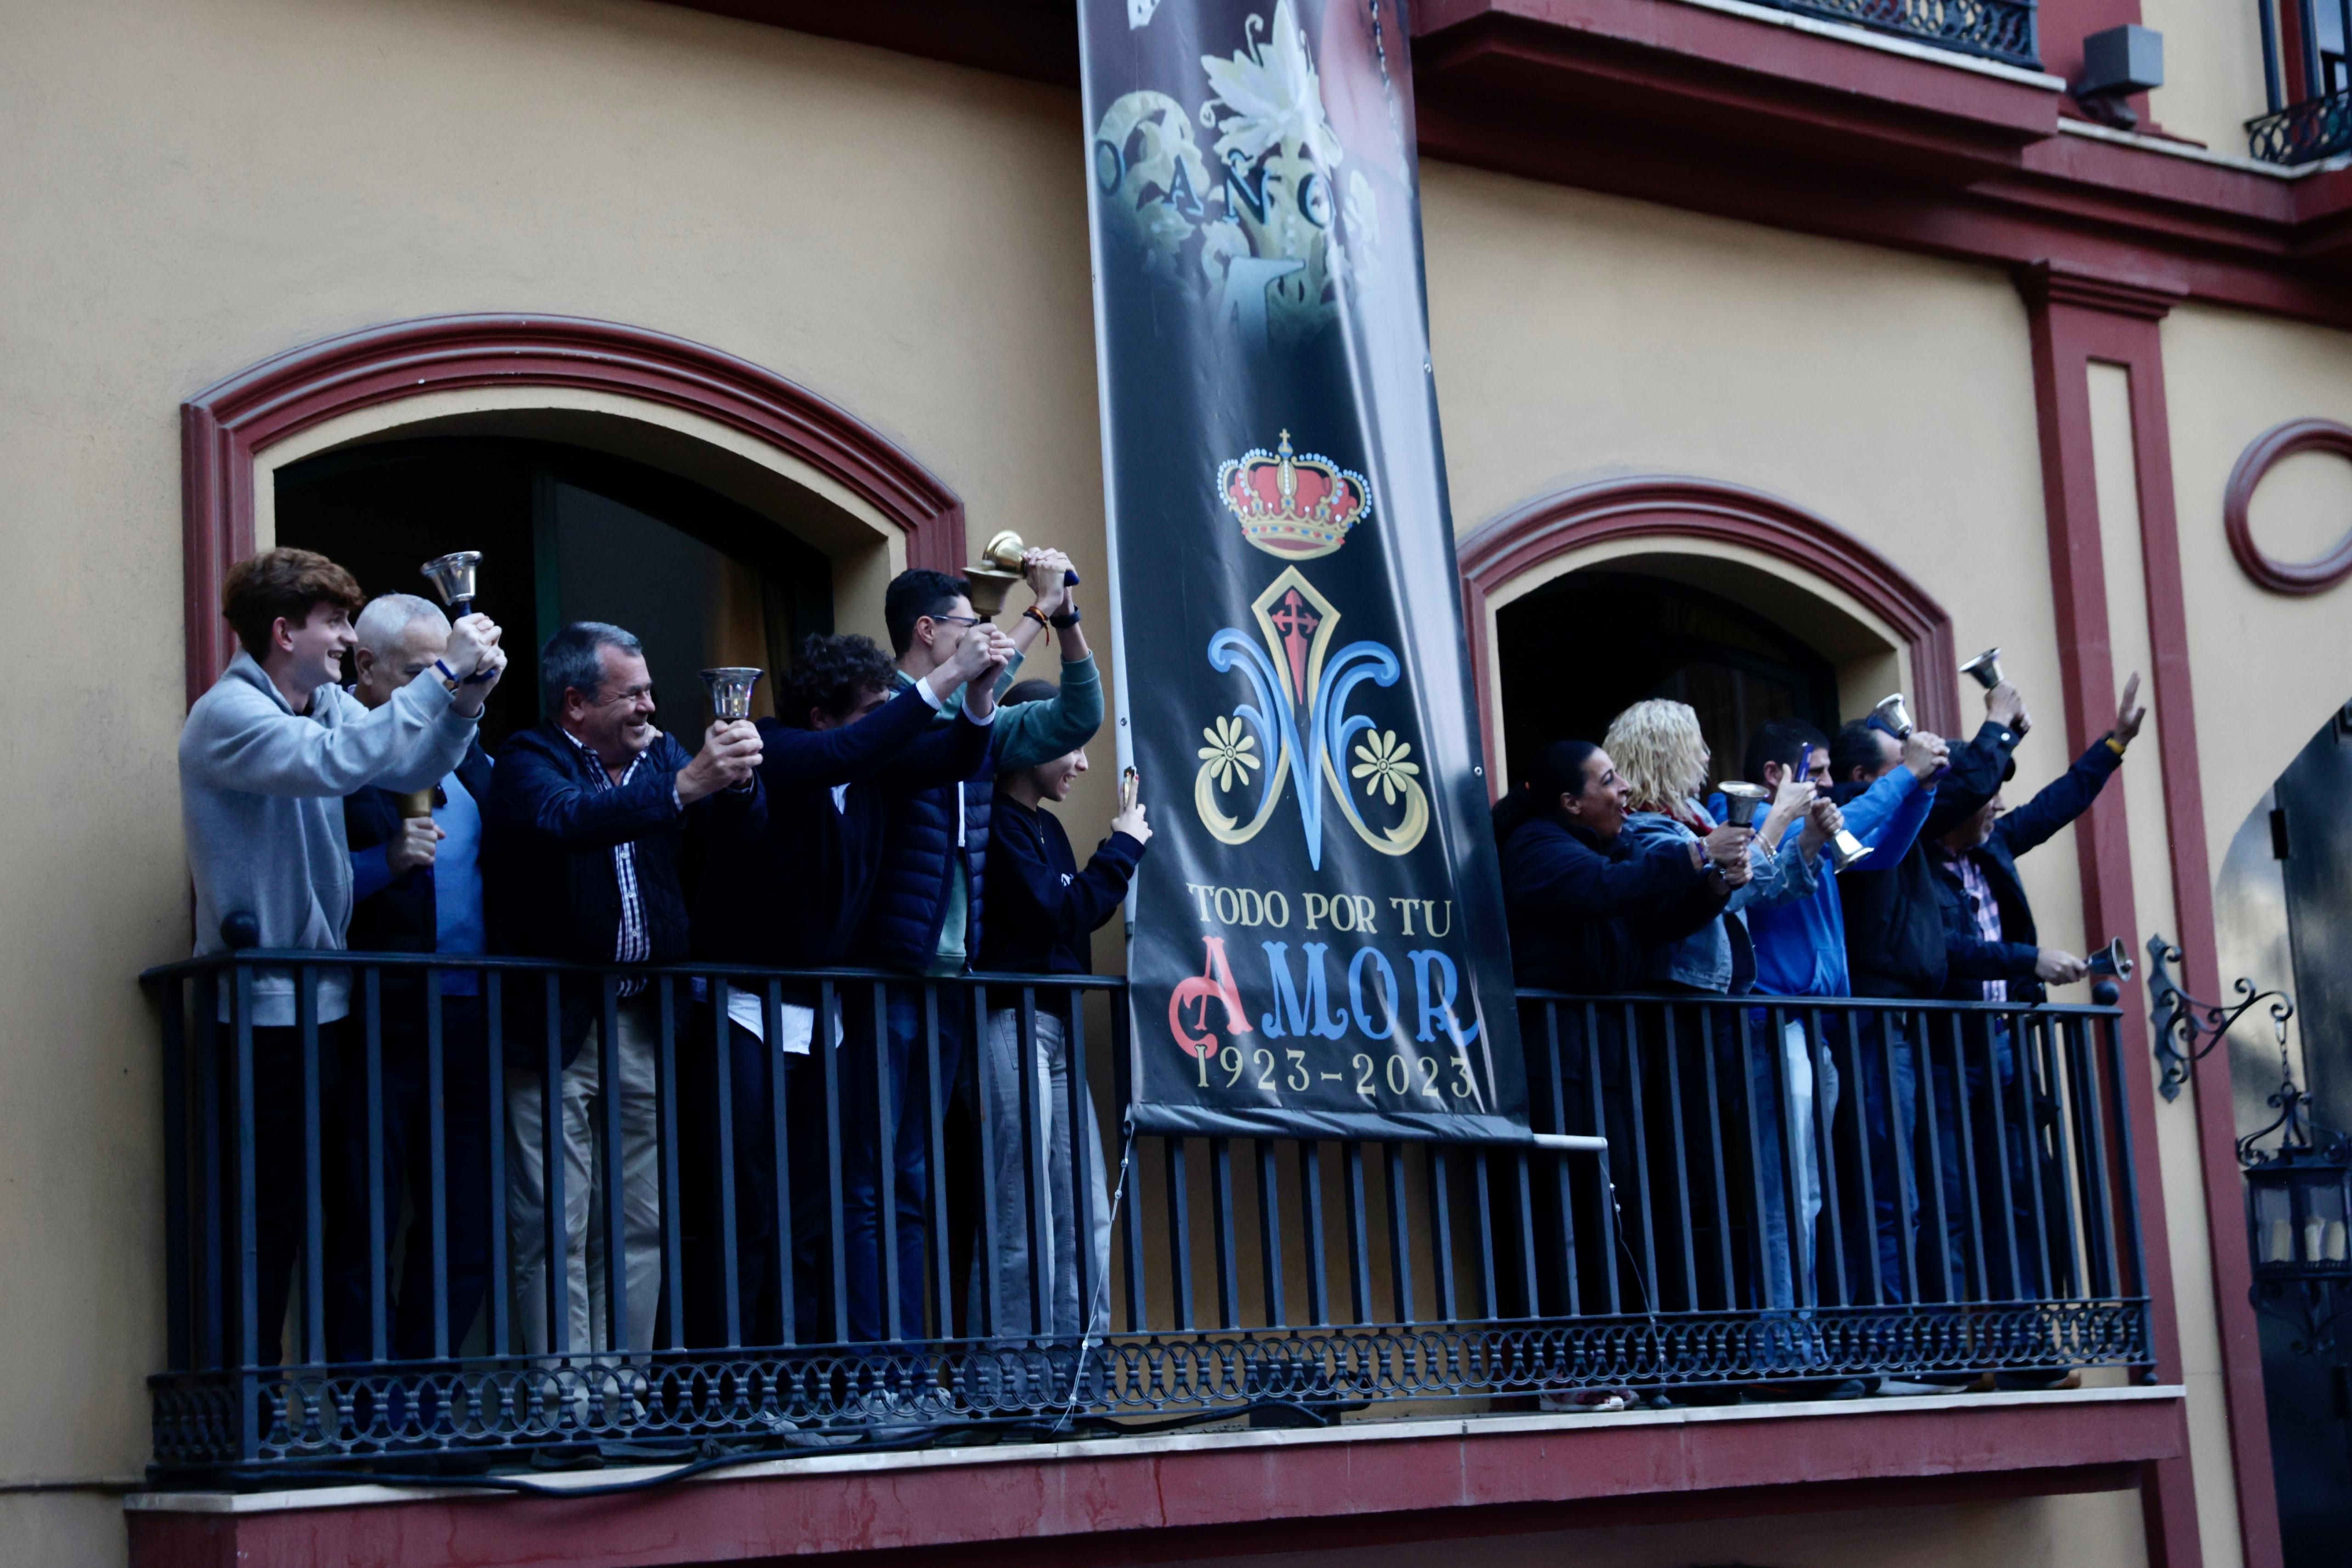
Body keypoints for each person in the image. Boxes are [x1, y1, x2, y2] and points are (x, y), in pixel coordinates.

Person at [179, 548, 506, 1370]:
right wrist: (440, 679)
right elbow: (334, 765)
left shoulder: (321, 699)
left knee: (335, 1218)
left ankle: (339, 1414)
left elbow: (408, 762)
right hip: (255, 1012)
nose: (347, 637)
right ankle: (241, 1424)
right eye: (333, 622)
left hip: (322, 1002)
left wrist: (466, 699)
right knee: (263, 1224)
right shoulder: (227, 714)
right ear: (284, 630)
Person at [687, 627, 1007, 1352]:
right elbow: (850, 750)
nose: (881, 726)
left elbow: (955, 755)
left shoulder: (872, 773)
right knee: (747, 1211)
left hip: (820, 1021)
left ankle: (794, 1381)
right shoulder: (780, 746)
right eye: (870, 710)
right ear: (823, 715)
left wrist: (980, 693)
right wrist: (947, 674)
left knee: (805, 1212)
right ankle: (728, 1387)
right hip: (744, 1014)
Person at [484, 622, 763, 1359]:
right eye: (630, 692)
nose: (648, 705)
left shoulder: (663, 755)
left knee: (641, 1219)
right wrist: (687, 783)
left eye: (649, 690)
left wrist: (739, 782)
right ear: (575, 704)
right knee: (554, 1219)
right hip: (555, 1023)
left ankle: (625, 1393)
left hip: (643, 1017)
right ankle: (567, 1399)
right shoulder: (527, 758)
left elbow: (736, 840)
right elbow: (567, 820)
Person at [845, 558, 1102, 1351]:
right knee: (869, 1186)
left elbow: (1076, 716)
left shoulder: (979, 725)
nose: (983, 637)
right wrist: (1030, 612)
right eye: (968, 624)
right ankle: (875, 1372)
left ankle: (917, 1373)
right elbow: (943, 715)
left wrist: (1062, 620)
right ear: (929, 632)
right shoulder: (886, 710)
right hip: (882, 978)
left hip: (951, 983)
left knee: (916, 1184)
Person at [1604, 700, 1843, 1338]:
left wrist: (1810, 841)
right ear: (1668, 753)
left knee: (1736, 1176)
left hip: (1719, 1013)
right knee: (1690, 1175)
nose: (1708, 758)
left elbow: (1761, 888)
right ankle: (1704, 1337)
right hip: (1681, 1012)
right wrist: (1779, 822)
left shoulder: (1697, 820)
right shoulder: (1649, 831)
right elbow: (1724, 886)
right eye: (1697, 747)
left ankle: (1757, 1331)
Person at [1922, 674, 2145, 1310]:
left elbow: (2057, 804)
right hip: (1945, 1054)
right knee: (1953, 1199)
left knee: (2021, 1188)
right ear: (1956, 803)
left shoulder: (1993, 844)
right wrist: (2032, 958)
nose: (1996, 805)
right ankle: (1950, 1355)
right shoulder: (1914, 862)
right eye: (1986, 796)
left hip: (2000, 1045)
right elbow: (1950, 951)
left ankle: (2027, 1341)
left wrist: (2116, 743)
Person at [327, 594, 498, 1367]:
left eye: (450, 669)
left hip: (467, 1021)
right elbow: (308, 883)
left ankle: (425, 1399)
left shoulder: (473, 758)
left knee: (465, 1223)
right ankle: (371, 1408)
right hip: (373, 1017)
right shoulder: (333, 752)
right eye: (420, 671)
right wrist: (383, 863)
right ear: (364, 666)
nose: (442, 683)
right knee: (363, 1217)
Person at [972, 680, 1148, 1357]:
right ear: (1032, 740)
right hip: (1010, 1024)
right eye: (1070, 745)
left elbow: (1068, 921)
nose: (1081, 763)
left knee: (1083, 1209)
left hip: (1055, 1028)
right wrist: (1123, 847)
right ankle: (1012, 1379)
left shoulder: (1044, 827)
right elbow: (1062, 913)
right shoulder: (993, 820)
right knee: (1023, 1207)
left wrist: (1108, 858)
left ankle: (1080, 1375)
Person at [1830, 679, 2019, 1307]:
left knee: (1900, 1194)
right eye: (1900, 760)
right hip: (1873, 1023)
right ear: (1863, 774)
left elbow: (1971, 787)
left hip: (1894, 1023)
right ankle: (1891, 1343)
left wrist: (2005, 736)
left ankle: (1902, 1340)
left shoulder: (1896, 811)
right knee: (1887, 1191)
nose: (1913, 770)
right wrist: (1993, 723)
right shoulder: (1856, 805)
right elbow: (1964, 789)